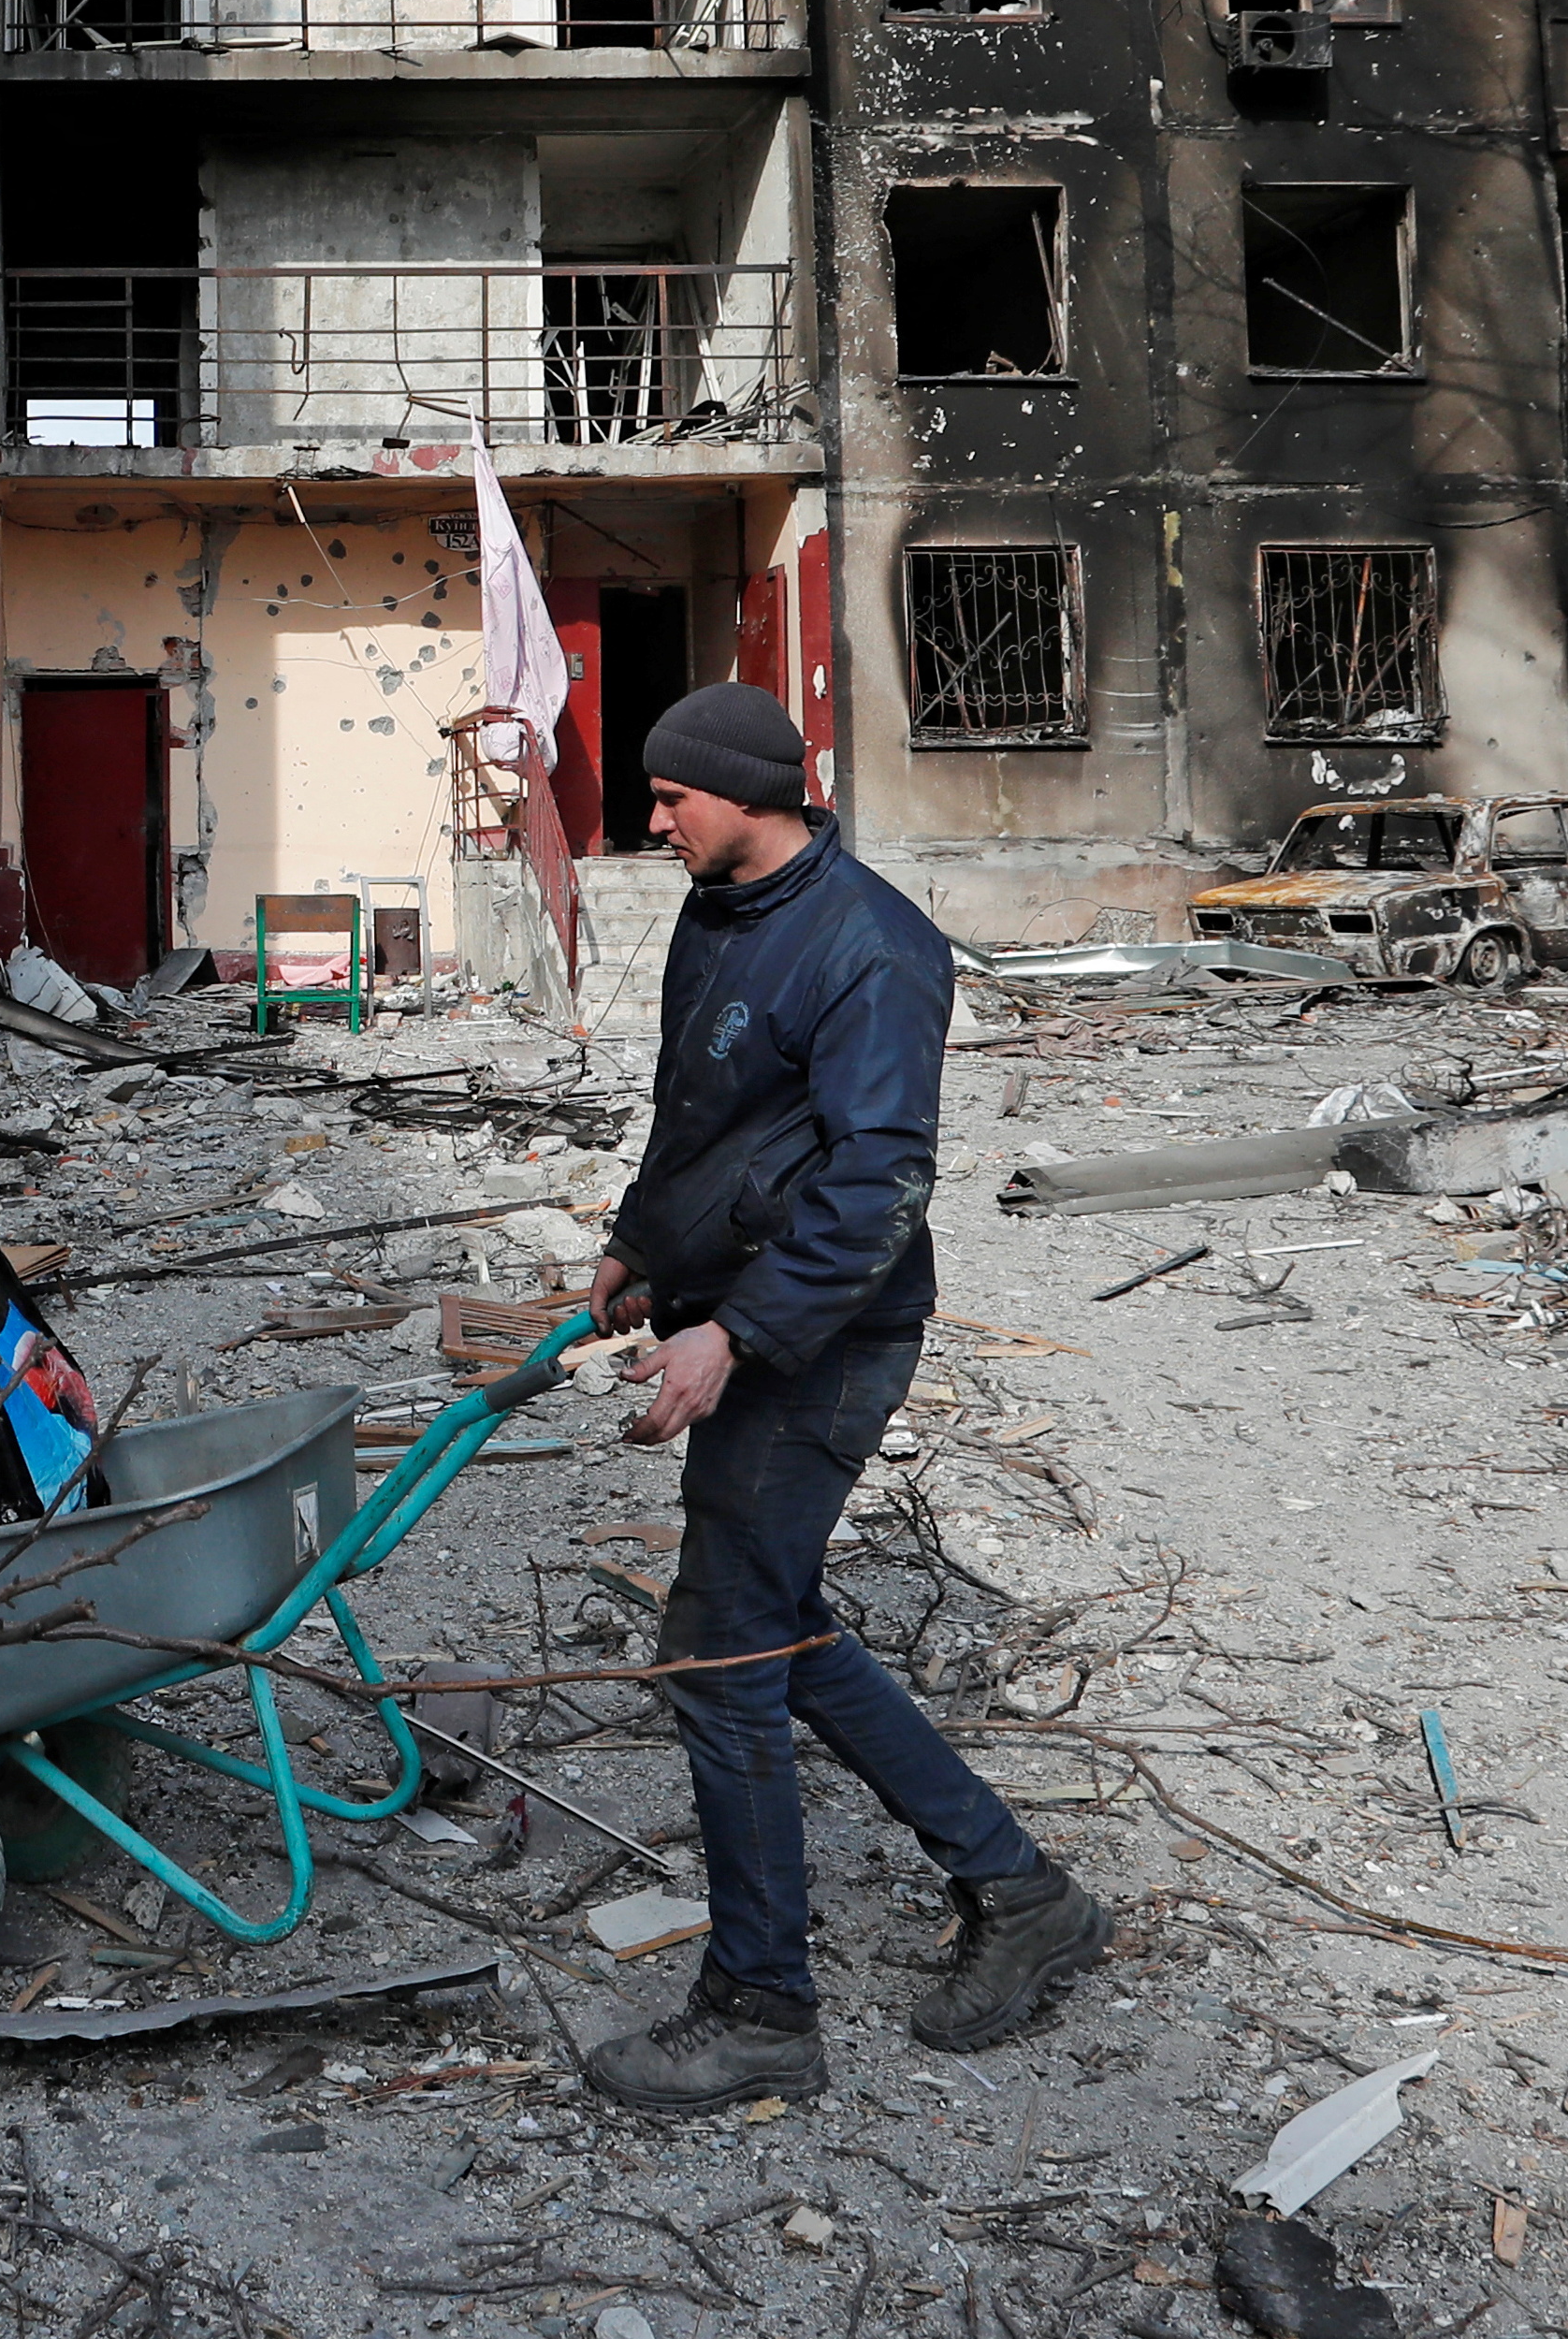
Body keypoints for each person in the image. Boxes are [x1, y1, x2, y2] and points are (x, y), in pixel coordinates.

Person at [574, 683, 1109, 2114]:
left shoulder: (873, 948)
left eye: (671, 794)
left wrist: (732, 1338)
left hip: (828, 1334)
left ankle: (759, 2004)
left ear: (747, 792)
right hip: (743, 1311)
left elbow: (880, 1183)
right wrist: (640, 1240)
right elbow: (696, 1110)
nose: (652, 815)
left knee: (720, 1649)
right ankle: (1019, 1887)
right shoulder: (720, 906)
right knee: (767, 1624)